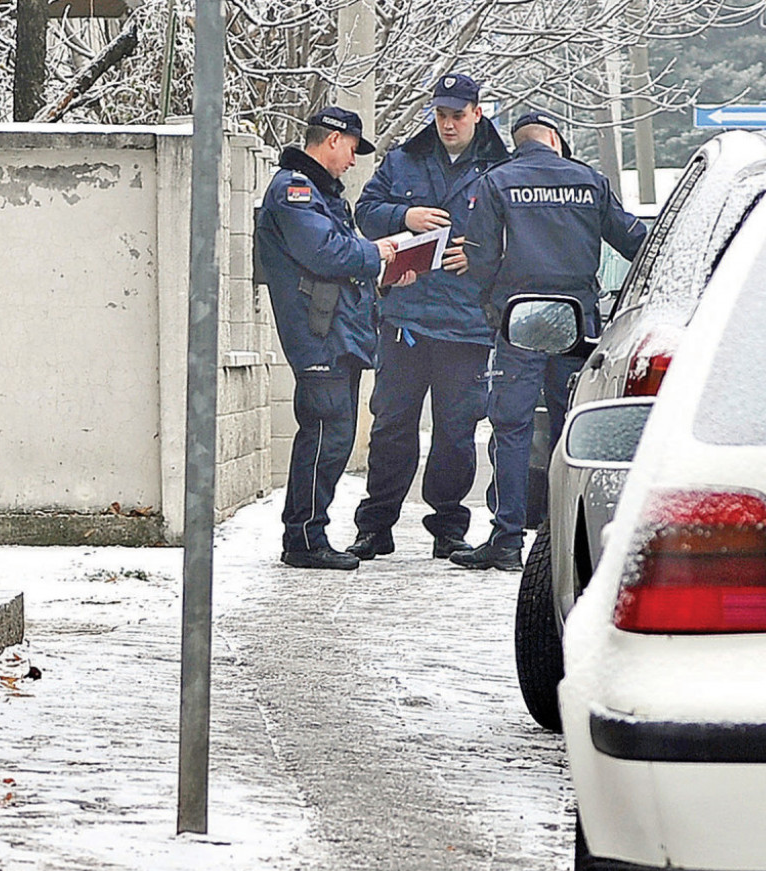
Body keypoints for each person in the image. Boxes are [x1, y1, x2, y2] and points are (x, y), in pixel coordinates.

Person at [453, 111, 647, 571]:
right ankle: (565, 540)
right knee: (572, 429)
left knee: (512, 427)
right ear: (556, 141)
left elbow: (479, 258)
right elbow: (635, 241)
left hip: (519, 319)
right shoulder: (589, 181)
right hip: (576, 322)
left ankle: (506, 540)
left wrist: (492, 297)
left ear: (519, 145)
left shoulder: (498, 182)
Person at [345, 74, 509, 562]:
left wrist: (480, 258)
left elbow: (519, 237)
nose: (448, 124)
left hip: (467, 322)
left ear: (478, 113)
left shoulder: (501, 167)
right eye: (441, 114)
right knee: (391, 425)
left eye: (458, 115)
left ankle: (449, 526)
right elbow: (366, 211)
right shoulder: (404, 159)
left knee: (456, 431)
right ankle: (376, 526)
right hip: (406, 319)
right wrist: (406, 216)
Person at [256, 107, 412, 570]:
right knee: (326, 434)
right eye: (351, 150)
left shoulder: (318, 194)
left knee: (332, 436)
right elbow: (324, 253)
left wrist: (385, 274)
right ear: (332, 140)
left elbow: (337, 265)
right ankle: (304, 539)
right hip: (318, 335)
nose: (352, 161)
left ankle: (308, 532)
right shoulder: (295, 191)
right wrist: (377, 252)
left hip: (334, 331)